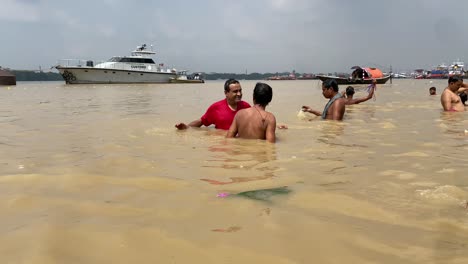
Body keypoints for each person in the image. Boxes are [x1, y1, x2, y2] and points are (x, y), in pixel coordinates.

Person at [175, 79, 251, 130]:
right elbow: (201, 121)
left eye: (240, 91)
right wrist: (187, 127)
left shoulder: (246, 107)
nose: (239, 94)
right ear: (226, 93)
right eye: (235, 91)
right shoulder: (216, 108)